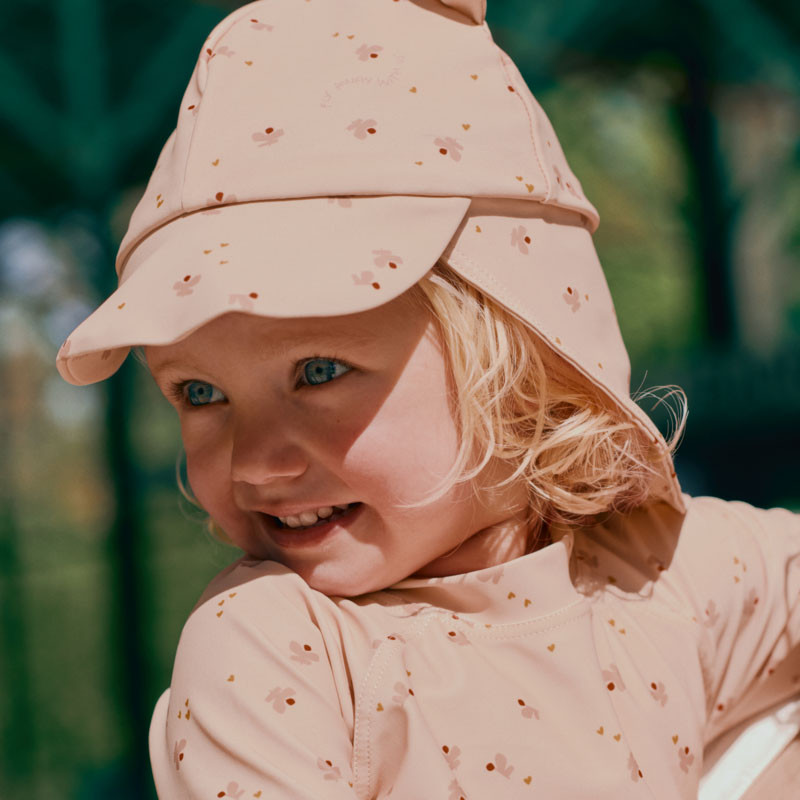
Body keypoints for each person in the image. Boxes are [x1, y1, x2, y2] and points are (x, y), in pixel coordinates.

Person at [56, 0, 800, 797]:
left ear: (521, 359)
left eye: (317, 373)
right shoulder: (277, 646)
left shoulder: (655, 574)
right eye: (199, 393)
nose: (255, 462)